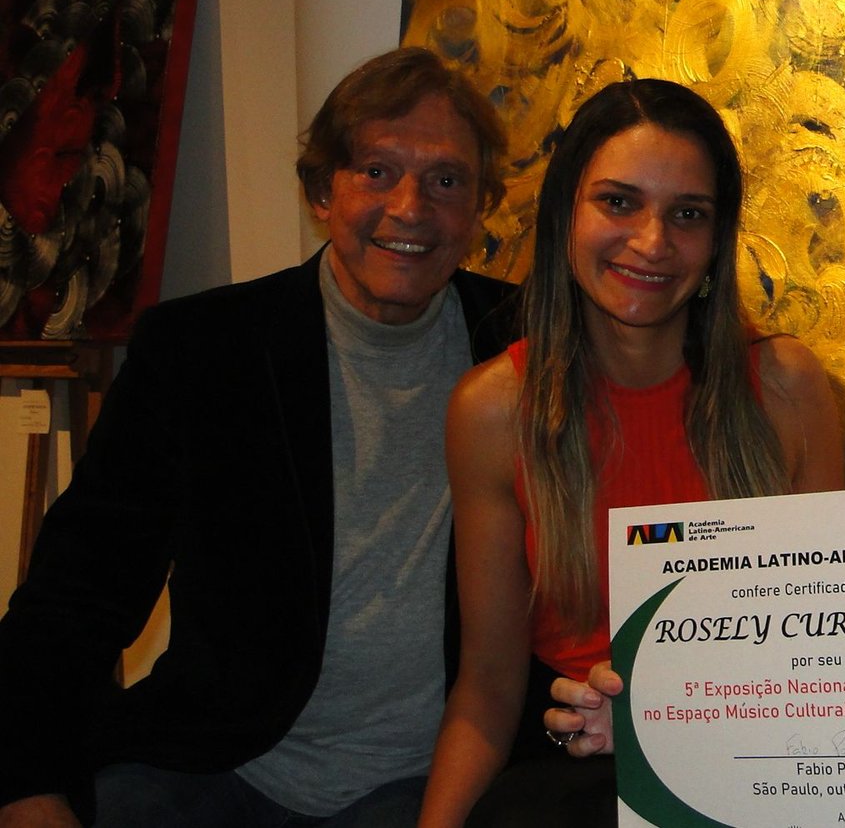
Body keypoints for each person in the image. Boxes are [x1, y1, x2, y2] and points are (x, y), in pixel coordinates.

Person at [0, 46, 536, 827]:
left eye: (447, 180)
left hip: (425, 782)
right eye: (377, 171)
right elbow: (81, 587)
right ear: (322, 190)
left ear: (481, 205)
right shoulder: (201, 350)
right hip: (219, 762)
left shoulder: (532, 350)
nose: (411, 207)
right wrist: (26, 784)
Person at [418, 78, 845, 827]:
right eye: (619, 202)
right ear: (565, 214)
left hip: (759, 764)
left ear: (717, 240)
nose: (652, 241)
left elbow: (831, 660)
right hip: (571, 770)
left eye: (688, 214)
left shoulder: (787, 387)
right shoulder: (492, 409)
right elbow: (486, 691)